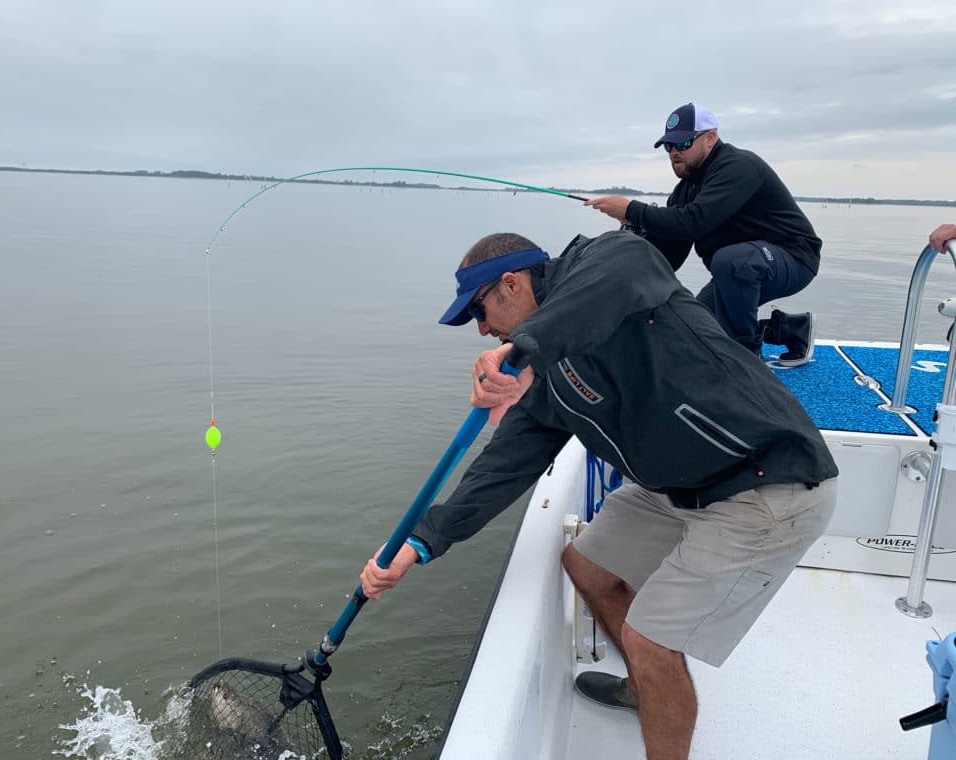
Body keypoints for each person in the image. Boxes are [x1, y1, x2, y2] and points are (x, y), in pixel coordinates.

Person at [359, 230, 838, 760]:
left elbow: (619, 273)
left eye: (480, 310)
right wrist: (420, 543)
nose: (482, 329)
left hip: (768, 480)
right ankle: (642, 690)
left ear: (512, 284)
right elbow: (501, 467)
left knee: (650, 641)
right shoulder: (552, 377)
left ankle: (654, 692)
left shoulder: (613, 259)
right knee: (586, 566)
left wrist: (522, 348)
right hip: (683, 488)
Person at [584, 102, 822, 367]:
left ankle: (745, 360)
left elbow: (694, 222)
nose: (674, 152)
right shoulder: (685, 190)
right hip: (738, 270)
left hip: (793, 258)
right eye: (668, 146)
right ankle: (791, 329)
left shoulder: (737, 167)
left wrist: (631, 209)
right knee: (690, 329)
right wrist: (635, 237)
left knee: (732, 261)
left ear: (710, 138)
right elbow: (670, 254)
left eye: (683, 143)